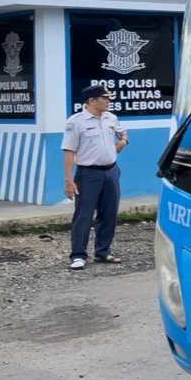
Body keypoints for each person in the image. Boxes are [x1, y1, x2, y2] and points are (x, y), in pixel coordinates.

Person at [62, 85, 128, 270]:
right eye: (104, 98)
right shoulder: (76, 122)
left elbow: (122, 132)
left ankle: (103, 251)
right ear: (91, 100)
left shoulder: (111, 118)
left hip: (111, 171)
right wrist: (68, 180)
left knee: (109, 214)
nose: (108, 101)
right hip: (88, 174)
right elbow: (69, 152)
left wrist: (123, 141)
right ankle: (78, 255)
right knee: (84, 215)